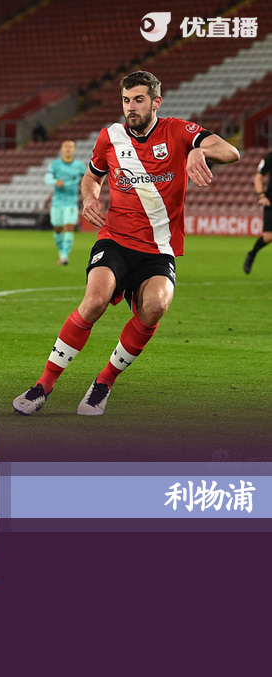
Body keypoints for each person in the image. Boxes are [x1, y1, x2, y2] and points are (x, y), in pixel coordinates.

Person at [13, 70, 239, 417]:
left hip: (158, 249)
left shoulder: (178, 131)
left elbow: (231, 151)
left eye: (138, 100)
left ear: (156, 102)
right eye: (126, 100)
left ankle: (103, 382)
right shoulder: (110, 137)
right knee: (94, 301)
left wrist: (200, 151)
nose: (131, 107)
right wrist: (90, 197)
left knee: (156, 305)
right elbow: (92, 177)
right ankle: (43, 385)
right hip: (115, 240)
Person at [45, 140, 86, 265]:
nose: (68, 149)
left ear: (74, 150)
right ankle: (61, 251)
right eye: (66, 146)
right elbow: (47, 178)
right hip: (57, 202)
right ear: (61, 150)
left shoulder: (79, 166)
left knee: (68, 226)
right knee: (58, 228)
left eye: (71, 147)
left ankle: (64, 256)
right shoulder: (55, 164)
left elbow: (88, 178)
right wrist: (55, 181)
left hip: (71, 202)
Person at [243, 149, 272, 274]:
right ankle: (252, 253)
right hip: (270, 202)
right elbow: (258, 177)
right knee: (268, 237)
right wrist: (261, 196)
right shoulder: (270, 156)